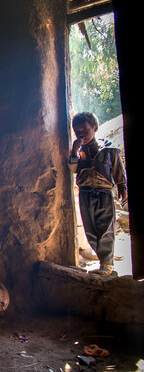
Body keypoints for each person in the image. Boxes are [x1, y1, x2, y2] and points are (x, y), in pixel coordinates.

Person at [69, 112, 127, 276]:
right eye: (77, 132)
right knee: (90, 228)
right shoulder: (78, 153)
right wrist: (74, 152)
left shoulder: (108, 149)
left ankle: (107, 265)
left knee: (105, 227)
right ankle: (103, 261)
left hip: (104, 194)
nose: (81, 135)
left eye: (84, 131)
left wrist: (122, 187)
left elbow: (118, 170)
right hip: (85, 194)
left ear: (95, 128)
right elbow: (73, 169)